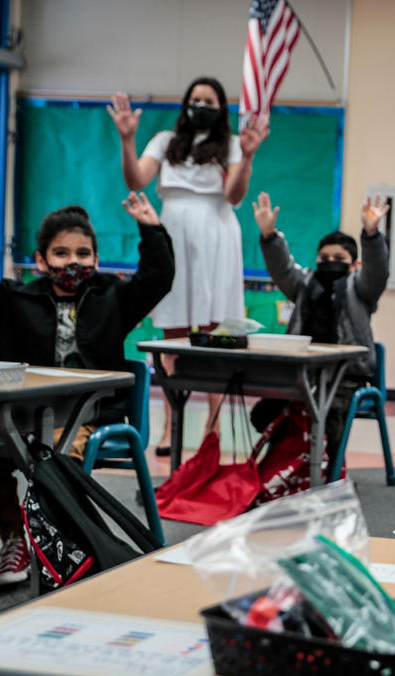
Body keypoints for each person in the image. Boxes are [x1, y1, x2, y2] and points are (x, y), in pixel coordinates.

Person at [0, 194, 174, 590]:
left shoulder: (114, 299)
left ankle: (58, 544)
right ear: (40, 260)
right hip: (21, 415)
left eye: (84, 253)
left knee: (56, 451)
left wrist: (151, 229)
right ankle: (15, 540)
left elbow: (158, 277)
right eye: (61, 253)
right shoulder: (15, 300)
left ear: (96, 259)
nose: (74, 262)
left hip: (86, 415)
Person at [108, 77, 269, 454]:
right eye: (194, 99)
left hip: (217, 234)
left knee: (215, 334)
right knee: (172, 333)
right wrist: (127, 139)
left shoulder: (231, 144)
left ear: (220, 107)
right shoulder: (165, 141)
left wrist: (246, 157)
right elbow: (136, 179)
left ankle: (211, 428)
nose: (200, 104)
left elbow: (235, 195)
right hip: (174, 233)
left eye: (208, 99)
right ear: (185, 104)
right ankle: (171, 425)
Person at [249, 192, 390, 472]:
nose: (330, 262)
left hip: (346, 377)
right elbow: (282, 268)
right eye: (324, 257)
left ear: (354, 265)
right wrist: (269, 234)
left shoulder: (361, 289)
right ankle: (290, 464)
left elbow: (378, 271)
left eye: (339, 257)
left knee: (330, 418)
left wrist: (371, 235)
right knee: (264, 413)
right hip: (302, 374)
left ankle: (330, 471)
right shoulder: (305, 284)